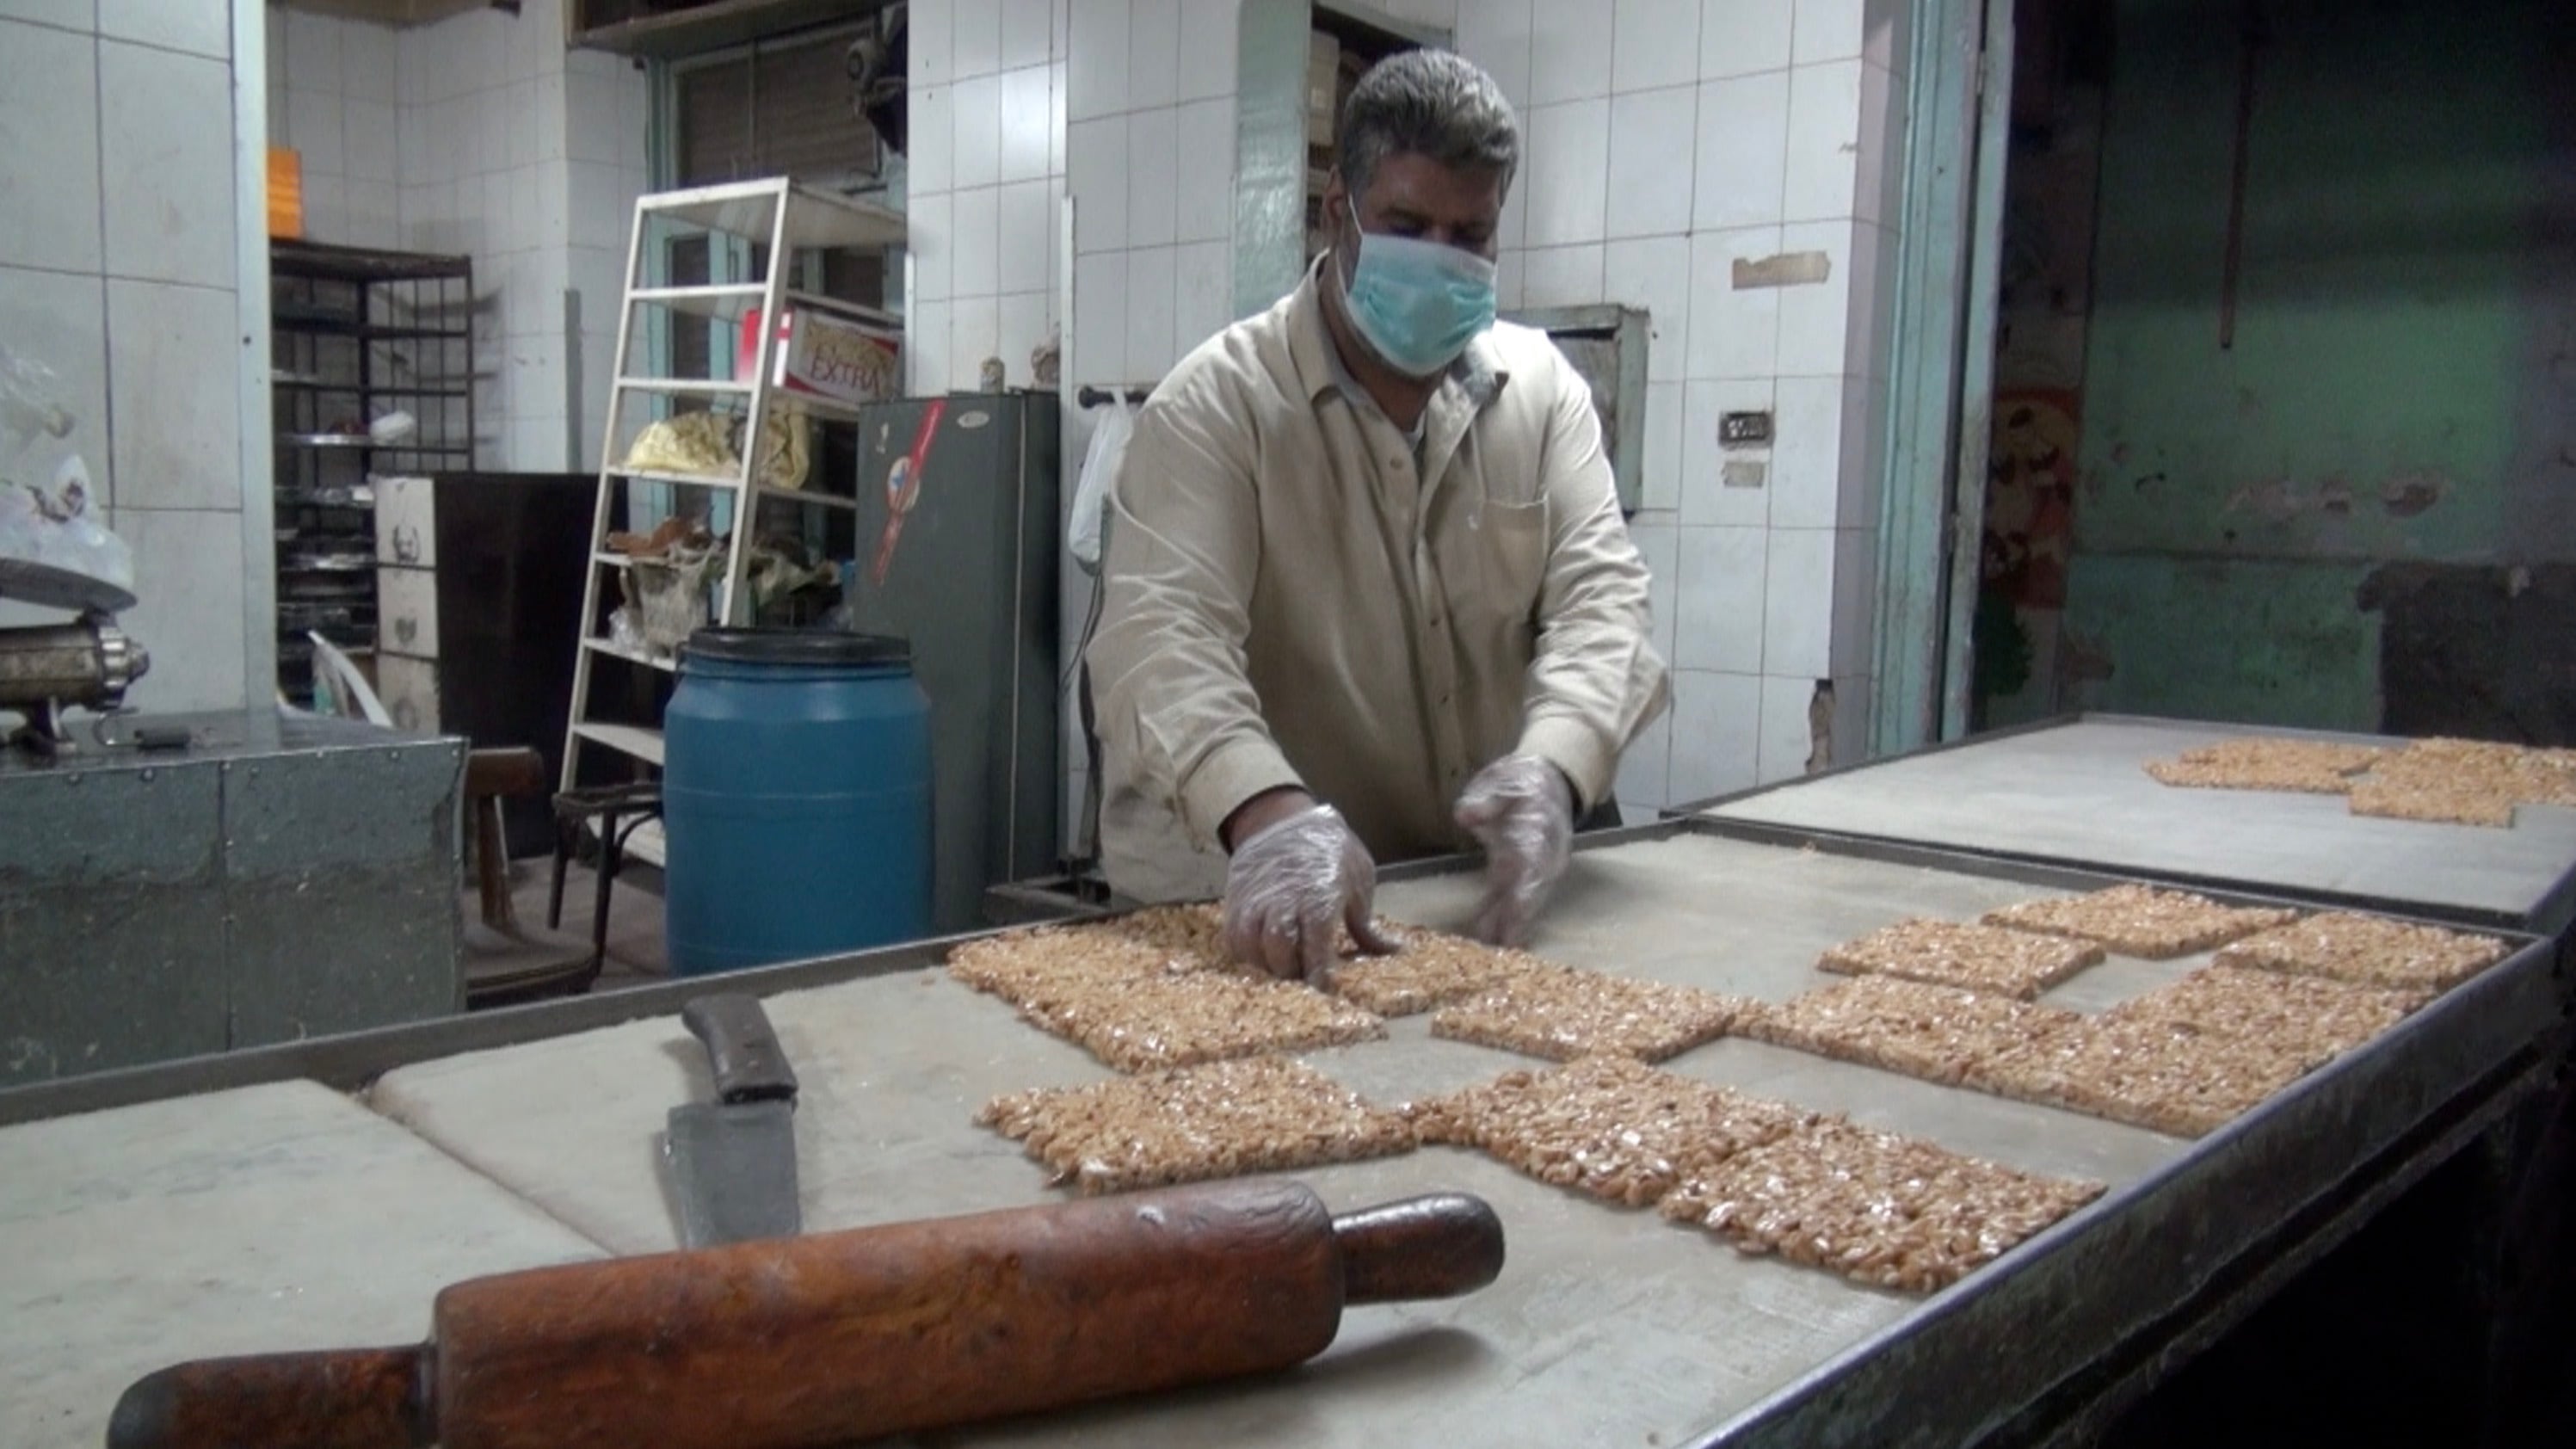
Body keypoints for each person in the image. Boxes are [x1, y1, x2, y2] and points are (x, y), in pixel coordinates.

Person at [1085, 48, 1669, 982]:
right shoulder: (1219, 408)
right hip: (1245, 891)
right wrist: (1267, 813)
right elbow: (1161, 645)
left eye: (1469, 234)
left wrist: (1554, 770)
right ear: (1336, 211)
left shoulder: (1542, 391)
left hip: (1448, 891)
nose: (1440, 257)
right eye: (1408, 223)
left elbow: (1604, 606)